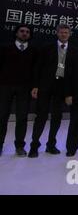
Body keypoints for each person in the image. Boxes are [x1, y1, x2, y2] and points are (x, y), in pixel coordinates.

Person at [29, 24, 78, 158]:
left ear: (70, 34)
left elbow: (74, 74)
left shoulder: (74, 50)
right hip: (45, 86)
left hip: (62, 87)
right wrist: (35, 86)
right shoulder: (46, 48)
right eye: (61, 32)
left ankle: (51, 145)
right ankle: (34, 146)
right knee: (41, 116)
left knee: (57, 117)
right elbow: (38, 67)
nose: (64, 34)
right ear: (57, 33)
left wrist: (70, 93)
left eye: (66, 32)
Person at [0, 25, 37, 157]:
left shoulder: (33, 50)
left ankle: (20, 146)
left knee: (22, 118)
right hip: (5, 87)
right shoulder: (5, 48)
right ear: (16, 33)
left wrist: (34, 86)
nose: (24, 33)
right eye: (22, 31)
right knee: (2, 117)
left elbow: (35, 71)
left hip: (24, 88)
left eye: (27, 32)